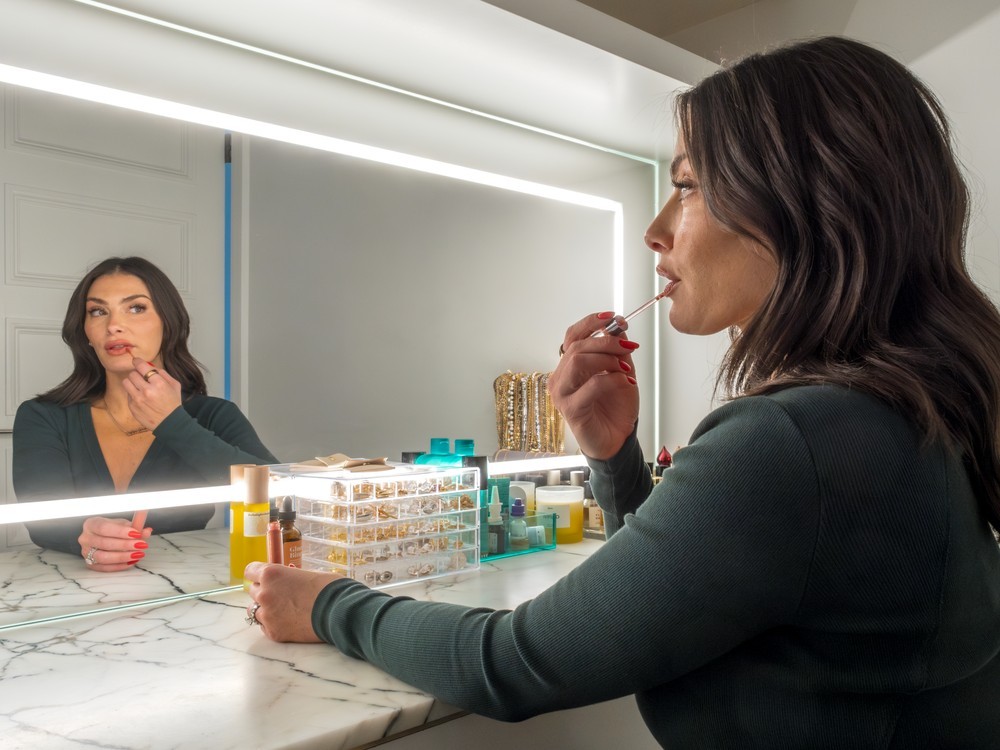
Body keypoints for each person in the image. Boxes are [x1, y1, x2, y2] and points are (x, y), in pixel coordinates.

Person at [242, 36, 1000, 748]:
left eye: (687, 185)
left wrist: (328, 603)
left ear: (804, 203)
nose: (655, 229)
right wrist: (613, 456)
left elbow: (512, 662)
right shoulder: (908, 408)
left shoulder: (792, 441)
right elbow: (686, 595)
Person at [13, 256, 277, 571]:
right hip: (67, 587)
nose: (113, 325)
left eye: (136, 308)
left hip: (188, 587)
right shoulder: (43, 416)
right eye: (98, 311)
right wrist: (82, 537)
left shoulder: (215, 416)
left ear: (169, 323)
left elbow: (281, 503)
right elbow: (41, 520)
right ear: (86, 333)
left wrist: (174, 424)